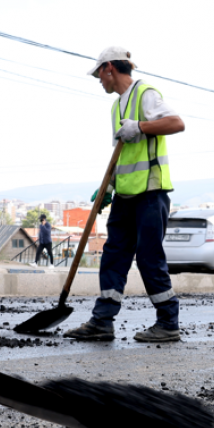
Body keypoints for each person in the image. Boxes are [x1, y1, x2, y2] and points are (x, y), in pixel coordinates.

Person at [65, 46, 187, 343]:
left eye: (99, 74)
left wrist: (141, 126)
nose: (99, 81)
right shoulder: (116, 107)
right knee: (114, 255)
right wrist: (107, 187)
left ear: (109, 68)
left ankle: (168, 322)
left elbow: (176, 123)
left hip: (150, 191)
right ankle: (102, 321)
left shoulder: (145, 93)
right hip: (125, 194)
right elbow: (121, 154)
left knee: (148, 257)